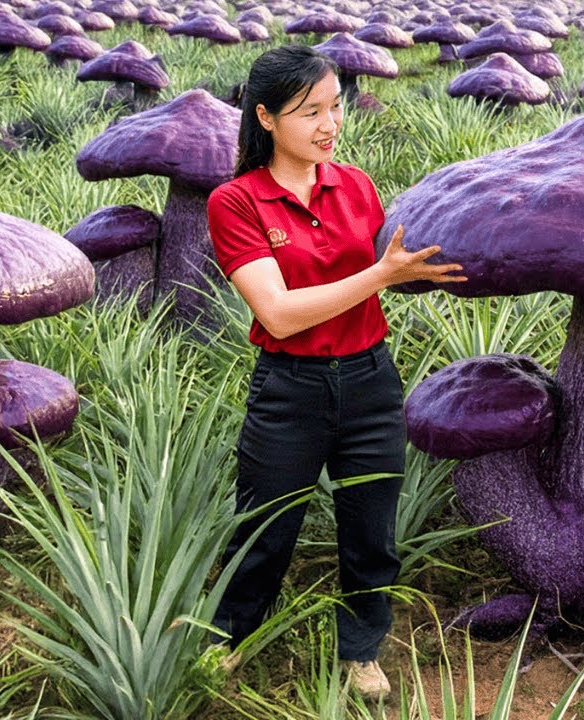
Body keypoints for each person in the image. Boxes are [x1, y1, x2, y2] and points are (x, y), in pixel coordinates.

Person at [202, 44, 466, 699]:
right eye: (309, 111)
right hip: (290, 387)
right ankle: (231, 637)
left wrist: (438, 264)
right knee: (266, 526)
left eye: (335, 107)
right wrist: (379, 275)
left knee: (371, 528)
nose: (329, 124)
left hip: (370, 381)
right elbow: (281, 313)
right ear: (265, 118)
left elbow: (394, 268)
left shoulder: (354, 185)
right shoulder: (237, 202)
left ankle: (362, 651)